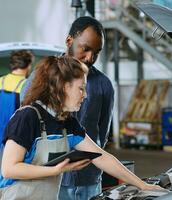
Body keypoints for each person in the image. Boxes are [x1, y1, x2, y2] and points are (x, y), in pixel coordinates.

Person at [0, 56, 165, 200]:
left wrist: (142, 185)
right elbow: (10, 169)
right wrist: (56, 171)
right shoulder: (27, 117)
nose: (85, 95)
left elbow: (102, 157)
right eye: (81, 89)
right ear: (63, 87)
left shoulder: (67, 123)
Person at [20, 16, 114, 199]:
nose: (90, 58)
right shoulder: (41, 78)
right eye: (85, 49)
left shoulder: (103, 85)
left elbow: (102, 133)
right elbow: (27, 126)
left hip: (90, 179)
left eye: (97, 52)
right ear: (69, 41)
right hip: (52, 179)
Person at [0, 50, 34, 165]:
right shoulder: (27, 84)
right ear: (28, 65)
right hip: (15, 135)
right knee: (12, 173)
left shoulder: (0, 81)